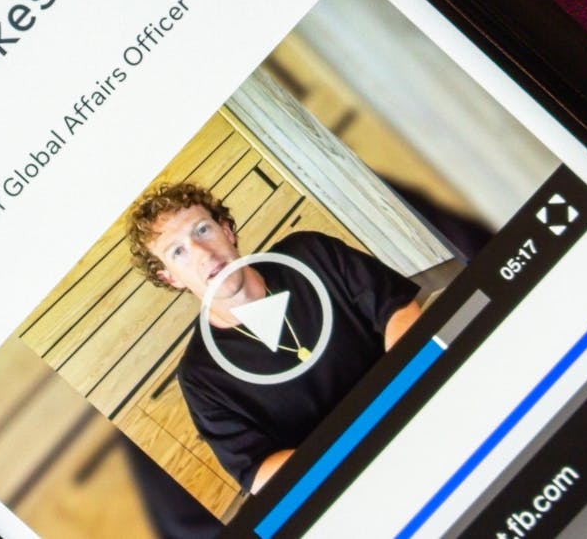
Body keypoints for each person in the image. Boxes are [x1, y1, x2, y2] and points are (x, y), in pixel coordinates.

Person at [126, 183, 422, 494]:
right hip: (351, 483)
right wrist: (356, 455)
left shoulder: (310, 253)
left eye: (202, 230)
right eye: (178, 252)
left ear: (226, 230)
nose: (202, 253)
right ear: (170, 277)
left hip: (415, 406)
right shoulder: (200, 376)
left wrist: (402, 400)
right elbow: (257, 472)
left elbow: (398, 310)